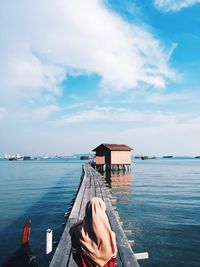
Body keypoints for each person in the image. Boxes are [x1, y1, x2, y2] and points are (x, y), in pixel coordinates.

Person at [69, 197, 117, 267]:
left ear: (87, 210)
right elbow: (113, 257)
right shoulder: (111, 235)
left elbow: (75, 254)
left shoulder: (76, 230)